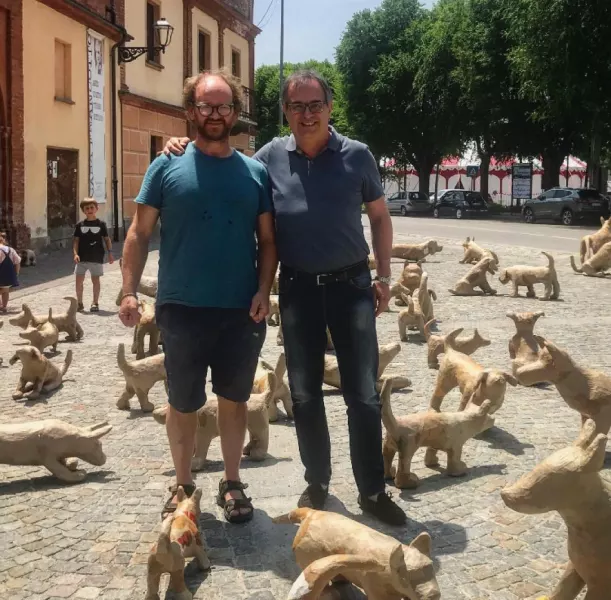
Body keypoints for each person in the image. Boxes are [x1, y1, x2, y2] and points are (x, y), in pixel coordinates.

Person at [164, 69, 406, 526]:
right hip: (296, 289)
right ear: (286, 112)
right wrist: (175, 147)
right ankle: (318, 483)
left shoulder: (358, 156)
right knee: (305, 394)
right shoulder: (269, 157)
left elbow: (379, 217)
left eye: (315, 104)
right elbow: (220, 164)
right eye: (297, 106)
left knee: (363, 394)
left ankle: (373, 490)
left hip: (352, 287)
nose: (307, 113)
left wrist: (385, 274)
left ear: (330, 107)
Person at [119, 69, 277, 524]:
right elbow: (138, 231)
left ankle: (232, 481)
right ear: (190, 111)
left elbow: (268, 241)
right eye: (206, 105)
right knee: (182, 402)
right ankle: (184, 484)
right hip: (181, 308)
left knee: (234, 401)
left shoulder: (254, 172)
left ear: (235, 112)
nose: (215, 113)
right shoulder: (165, 165)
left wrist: (264, 289)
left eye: (224, 105)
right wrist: (128, 291)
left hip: (239, 310)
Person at [73, 198, 114, 312]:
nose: (89, 210)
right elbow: (76, 241)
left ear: (96, 208)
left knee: (95, 281)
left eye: (92, 207)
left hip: (96, 257)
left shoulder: (101, 224)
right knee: (78, 281)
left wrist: (110, 253)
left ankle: (95, 302)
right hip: (82, 258)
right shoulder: (80, 225)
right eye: (87, 208)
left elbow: (107, 239)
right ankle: (79, 303)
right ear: (83, 211)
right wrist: (75, 254)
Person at [0, 232, 21, 313]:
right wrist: (16, 273)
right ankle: (4, 306)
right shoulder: (11, 250)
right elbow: (17, 262)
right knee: (6, 291)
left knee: (3, 290)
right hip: (9, 276)